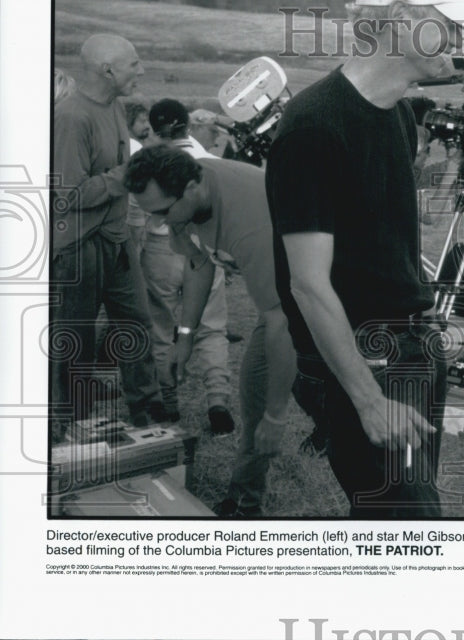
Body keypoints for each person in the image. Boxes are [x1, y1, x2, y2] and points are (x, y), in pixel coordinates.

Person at [264, 0, 464, 517]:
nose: (459, 39)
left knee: (408, 511)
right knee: (407, 526)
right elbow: (308, 286)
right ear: (398, 21)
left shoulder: (397, 114)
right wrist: (368, 401)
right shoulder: (315, 127)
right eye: (446, 25)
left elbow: (379, 244)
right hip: (365, 364)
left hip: (412, 351)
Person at [124, 145, 296, 517]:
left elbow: (283, 320)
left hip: (326, 301)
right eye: (150, 213)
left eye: (164, 212)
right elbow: (199, 262)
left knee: (297, 401)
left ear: (190, 188)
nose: (161, 224)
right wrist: (184, 337)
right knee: (255, 399)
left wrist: (278, 415)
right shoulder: (183, 197)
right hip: (284, 306)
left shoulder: (251, 224)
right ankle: (244, 505)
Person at [50, 34, 165, 439]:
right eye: (134, 63)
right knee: (75, 338)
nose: (142, 70)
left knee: (136, 324)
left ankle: (148, 411)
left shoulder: (115, 107)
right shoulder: (70, 117)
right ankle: (69, 422)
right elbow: (67, 195)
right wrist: (125, 175)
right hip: (79, 246)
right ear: (108, 70)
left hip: (116, 241)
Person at [134, 99, 235, 433]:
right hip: (202, 244)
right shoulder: (206, 158)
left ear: (152, 126)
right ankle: (217, 399)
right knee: (212, 325)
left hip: (160, 248)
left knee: (161, 325)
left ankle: (167, 400)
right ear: (187, 125)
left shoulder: (146, 160)